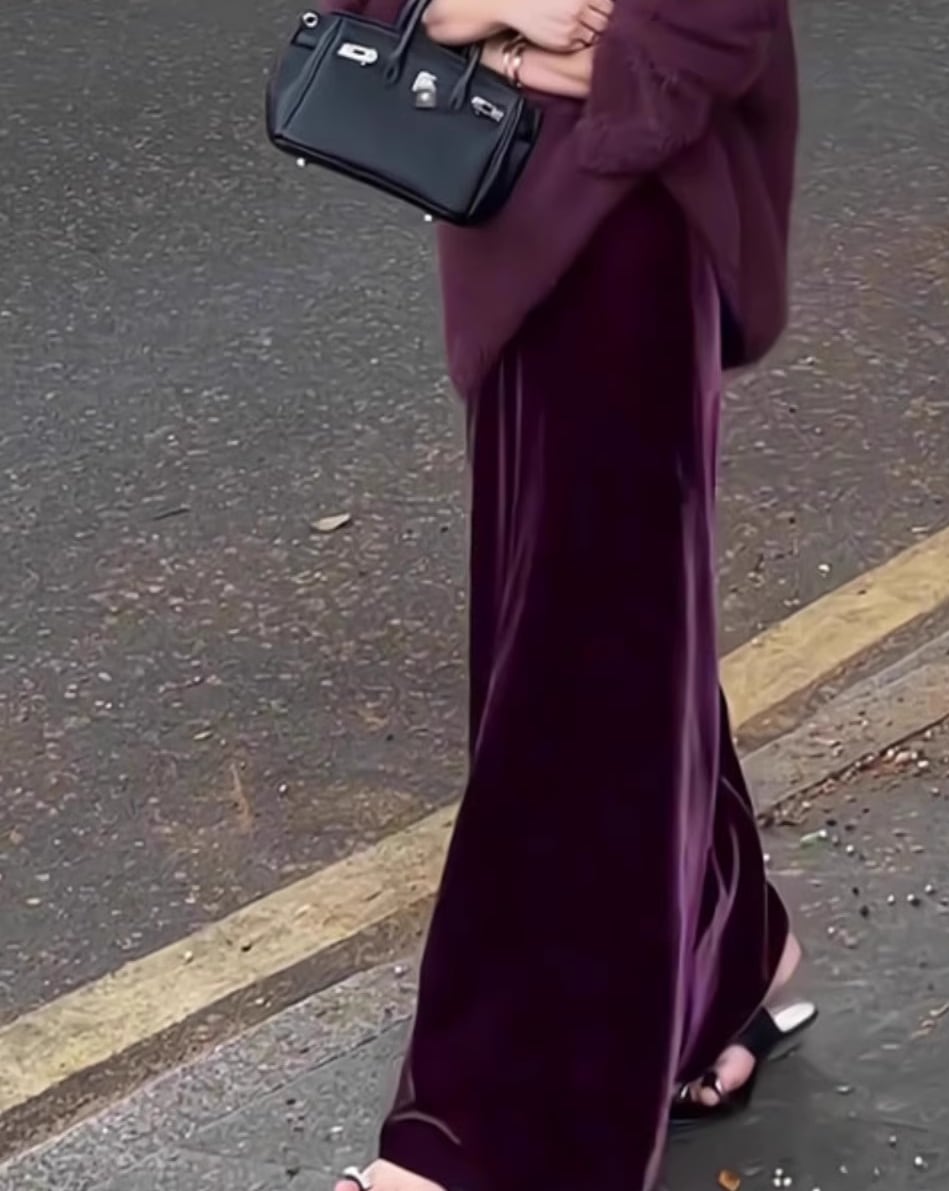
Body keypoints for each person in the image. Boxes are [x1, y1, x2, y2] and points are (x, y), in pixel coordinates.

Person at [329, 0, 809, 1182]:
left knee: (577, 667)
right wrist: (483, 13)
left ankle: (494, 1136)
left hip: (637, 226)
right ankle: (728, 953)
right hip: (503, 211)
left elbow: (700, 36)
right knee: (597, 632)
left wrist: (566, 53)